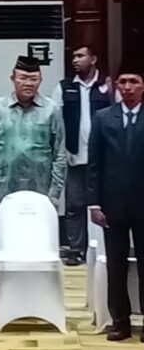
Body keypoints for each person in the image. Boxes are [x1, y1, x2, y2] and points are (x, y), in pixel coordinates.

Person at [88, 60, 144, 342]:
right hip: (112, 206)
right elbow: (94, 164)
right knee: (116, 265)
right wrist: (94, 203)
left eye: (134, 81)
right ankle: (120, 321)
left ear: (142, 86)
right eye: (123, 82)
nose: (128, 87)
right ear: (116, 86)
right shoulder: (103, 118)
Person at [0, 56, 66, 215]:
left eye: (34, 79)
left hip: (42, 191)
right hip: (5, 190)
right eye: (23, 78)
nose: (28, 83)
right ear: (13, 78)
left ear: (40, 80)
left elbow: (59, 154)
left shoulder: (51, 109)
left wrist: (55, 194)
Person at [52, 44, 112, 265]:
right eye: (73, 56)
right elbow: (55, 122)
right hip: (74, 155)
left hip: (104, 158)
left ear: (93, 59)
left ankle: (104, 249)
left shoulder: (107, 86)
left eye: (80, 56)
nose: (75, 60)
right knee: (75, 205)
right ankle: (77, 250)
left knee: (103, 205)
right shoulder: (64, 87)